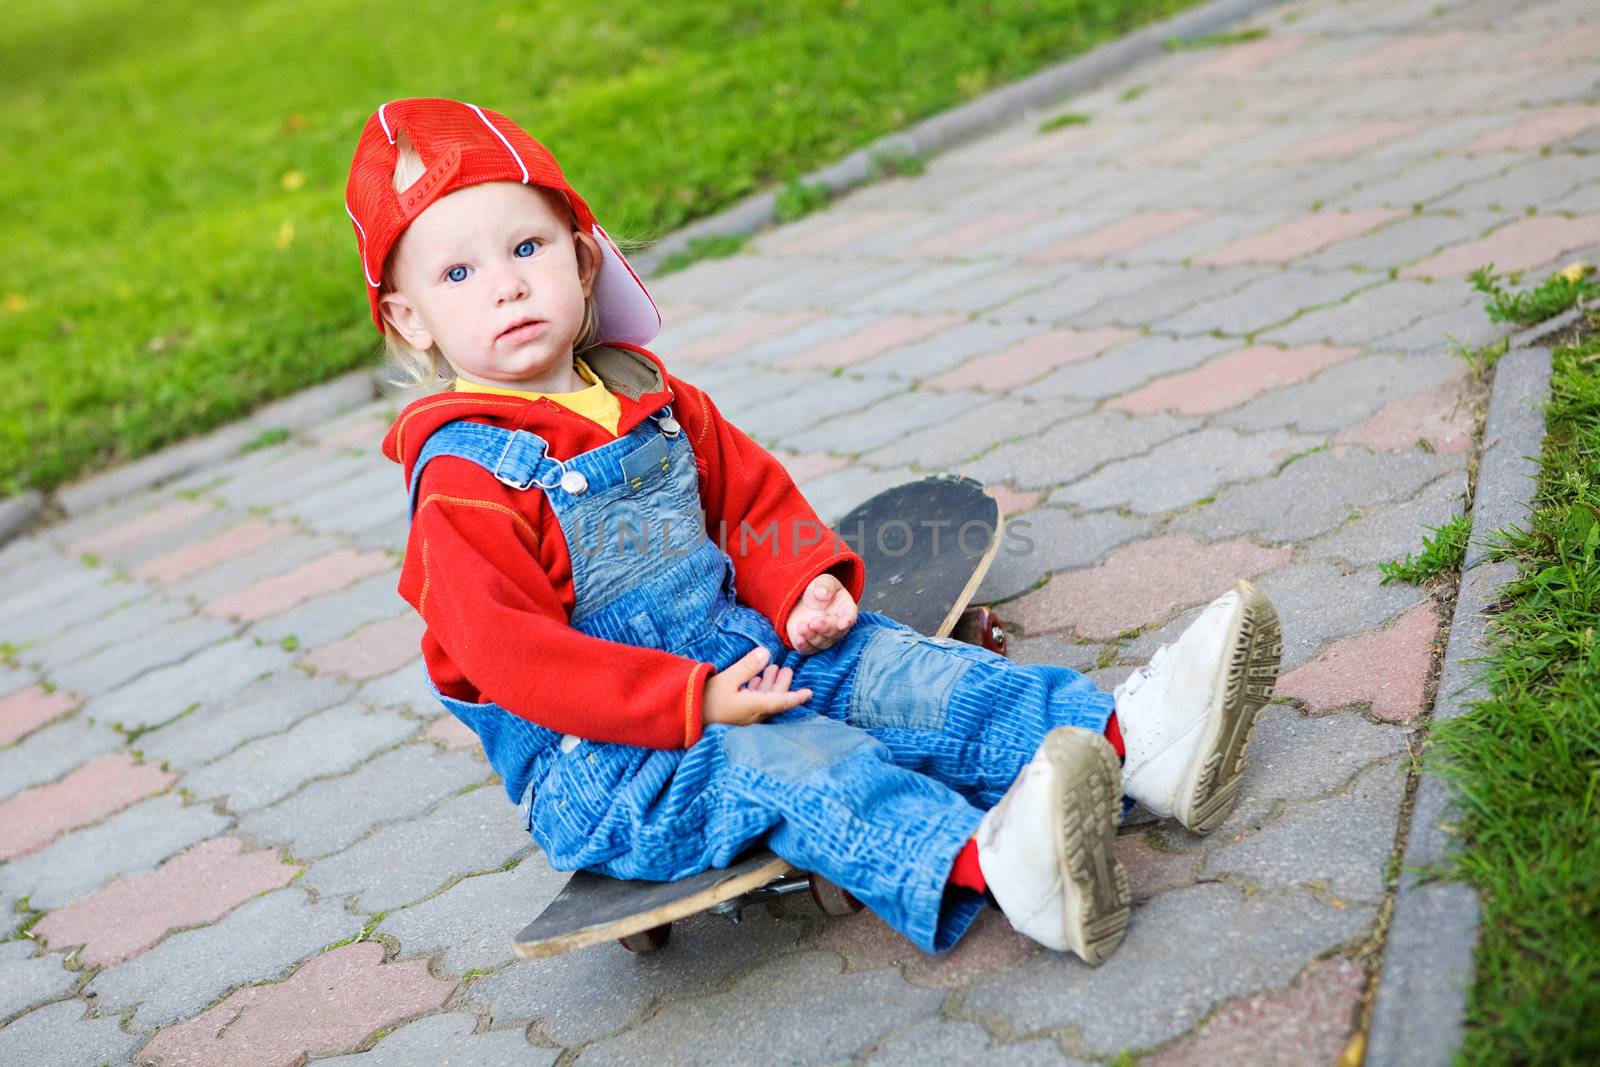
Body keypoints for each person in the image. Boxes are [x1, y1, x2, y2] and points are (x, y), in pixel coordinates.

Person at [345, 98, 1281, 964]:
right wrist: (692, 704)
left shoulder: (647, 395)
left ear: (583, 260)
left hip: (742, 653)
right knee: (792, 759)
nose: (506, 287)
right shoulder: (464, 485)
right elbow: (518, 660)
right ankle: (1002, 869)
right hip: (615, 761)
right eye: (459, 273)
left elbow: (749, 502)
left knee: (893, 665)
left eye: (526, 248)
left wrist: (800, 585)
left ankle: (1134, 743)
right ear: (410, 319)